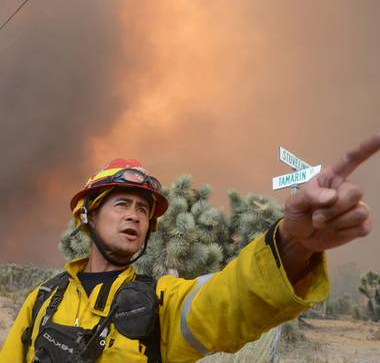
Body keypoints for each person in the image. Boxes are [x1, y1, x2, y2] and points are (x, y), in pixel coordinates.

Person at [1, 133, 379, 363]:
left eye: (143, 210)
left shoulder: (162, 302)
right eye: (121, 204)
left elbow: (229, 301)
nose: (134, 216)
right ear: (88, 217)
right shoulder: (43, 299)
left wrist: (293, 245)